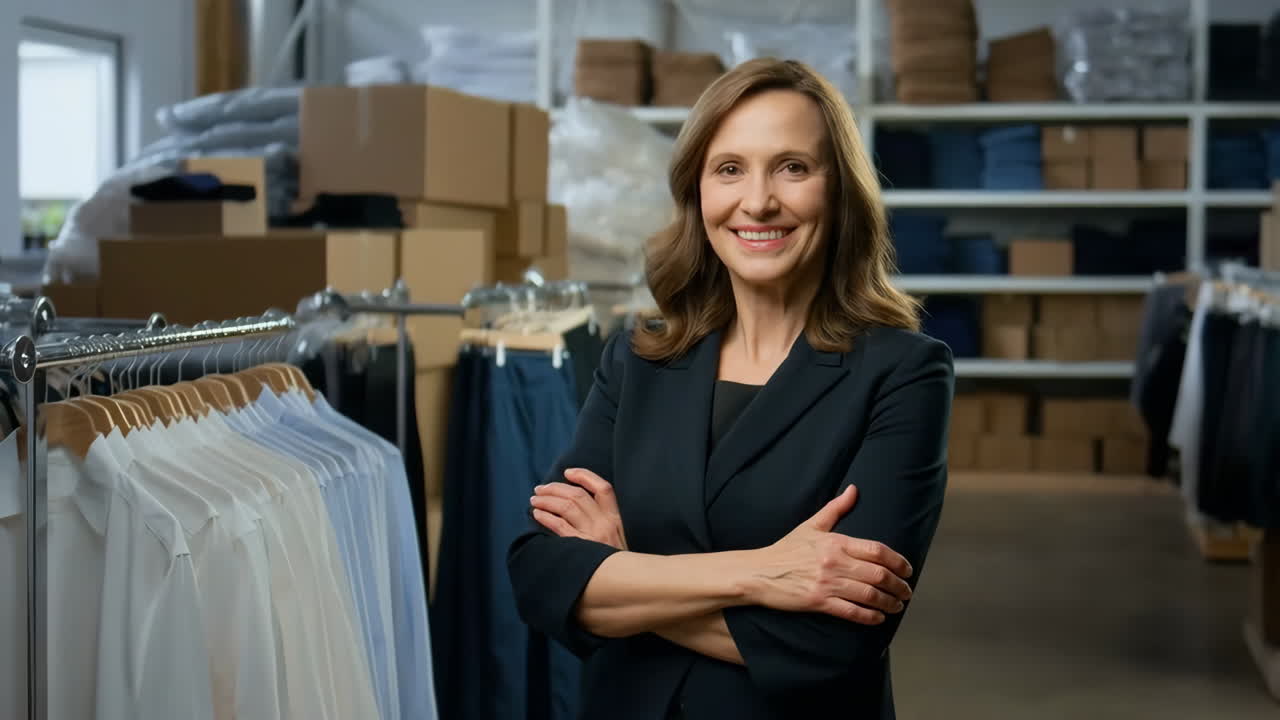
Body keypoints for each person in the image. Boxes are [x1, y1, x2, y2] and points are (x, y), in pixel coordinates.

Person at [507, 57, 954, 720]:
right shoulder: (637, 360)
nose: (758, 201)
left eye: (793, 167)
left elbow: (833, 642)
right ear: (698, 193)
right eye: (729, 168)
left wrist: (623, 573)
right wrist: (764, 574)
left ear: (840, 190)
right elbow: (541, 575)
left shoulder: (903, 373)